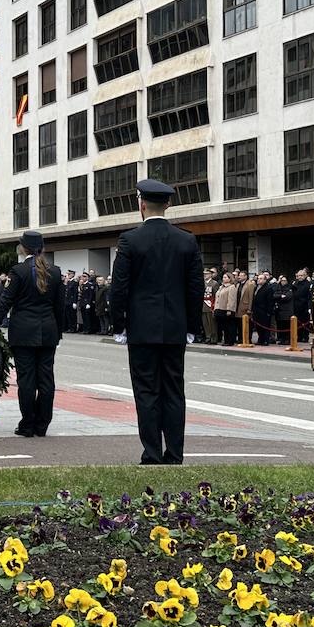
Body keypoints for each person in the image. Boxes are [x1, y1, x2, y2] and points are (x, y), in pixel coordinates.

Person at [109, 179, 205, 466]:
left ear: (141, 205)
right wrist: (191, 326)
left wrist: (119, 325)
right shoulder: (186, 240)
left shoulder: (130, 240)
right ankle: (174, 454)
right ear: (169, 204)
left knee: (146, 391)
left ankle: (152, 453)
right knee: (174, 390)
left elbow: (120, 288)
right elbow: (195, 288)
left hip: (141, 328)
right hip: (175, 328)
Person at [0, 230, 64, 438]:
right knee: (46, 380)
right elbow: (59, 307)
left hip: (23, 333)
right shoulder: (55, 271)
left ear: (22, 248)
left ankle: (27, 424)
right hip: (48, 331)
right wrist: (59, 334)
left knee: (27, 380)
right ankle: (42, 424)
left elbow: (4, 303)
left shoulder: (18, 271)